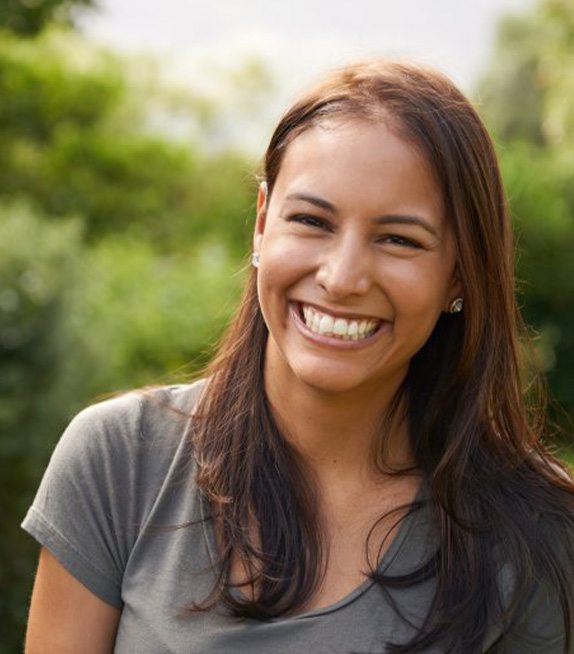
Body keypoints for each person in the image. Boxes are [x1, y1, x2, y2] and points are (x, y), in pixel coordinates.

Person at [22, 59, 574, 654]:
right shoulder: (119, 462)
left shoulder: (536, 531)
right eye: (312, 220)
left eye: (398, 239)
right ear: (262, 224)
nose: (341, 277)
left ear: (461, 273)